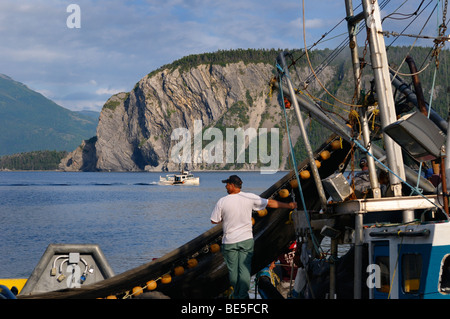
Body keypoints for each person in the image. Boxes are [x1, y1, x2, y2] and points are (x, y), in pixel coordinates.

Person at [210, 175, 297, 299]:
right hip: (246, 240)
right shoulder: (249, 197)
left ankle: (238, 296)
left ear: (233, 186)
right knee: (245, 270)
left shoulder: (222, 201)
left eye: (227, 184)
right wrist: (289, 206)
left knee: (233, 272)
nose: (225, 186)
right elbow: (270, 203)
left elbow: (214, 220)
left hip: (229, 242)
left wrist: (227, 217)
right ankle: (243, 296)